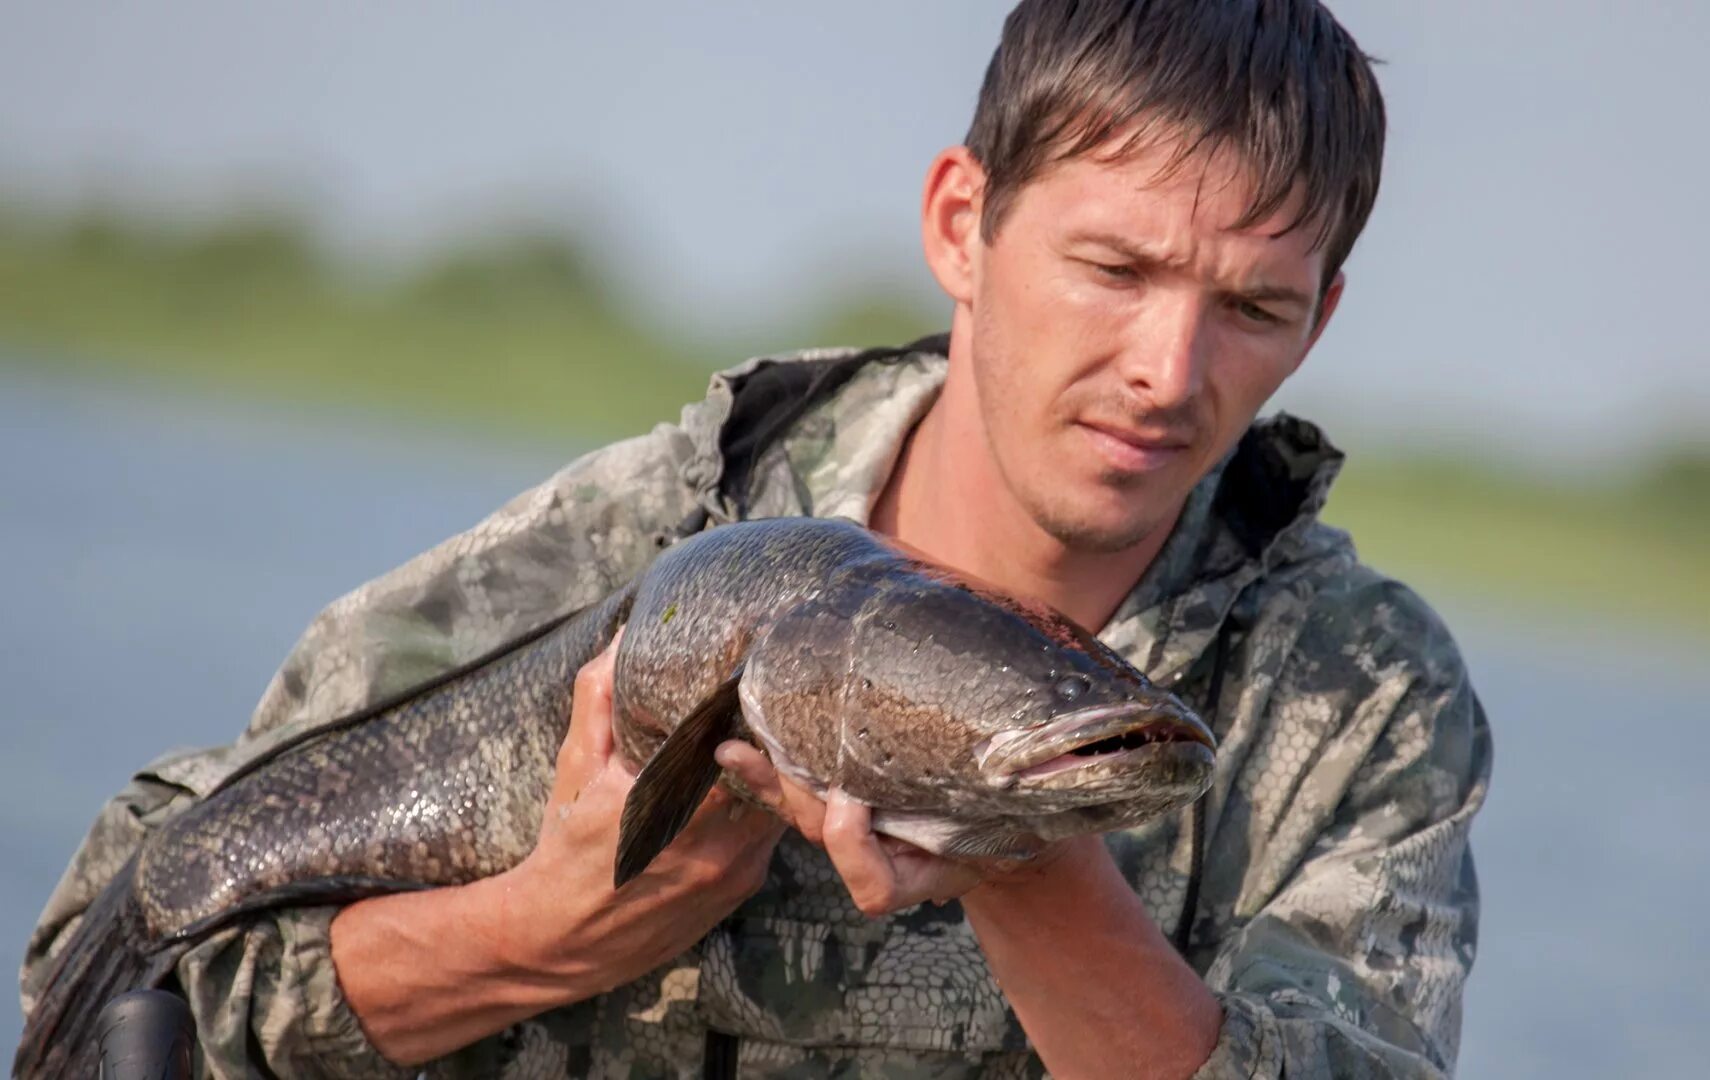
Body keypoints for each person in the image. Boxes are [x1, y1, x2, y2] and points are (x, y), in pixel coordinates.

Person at [20, 0, 1492, 1076]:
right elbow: (115, 956)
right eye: (1111, 268)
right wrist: (528, 933)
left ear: (1321, 322)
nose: (1169, 373)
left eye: (1252, 308)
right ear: (961, 223)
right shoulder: (640, 538)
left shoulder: (1354, 699)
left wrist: (1027, 861)